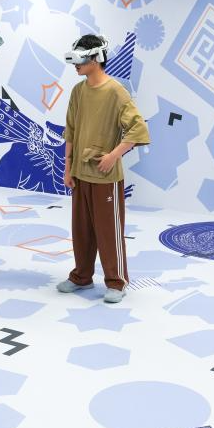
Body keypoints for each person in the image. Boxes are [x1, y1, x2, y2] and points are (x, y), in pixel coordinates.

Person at [58, 34, 150, 303]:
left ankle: (116, 282)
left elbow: (138, 129)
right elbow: (71, 131)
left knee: (109, 232)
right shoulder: (78, 91)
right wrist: (68, 167)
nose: (76, 66)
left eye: (80, 59)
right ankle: (81, 276)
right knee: (81, 230)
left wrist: (113, 156)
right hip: (80, 173)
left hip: (105, 176)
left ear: (96, 58)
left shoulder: (115, 91)